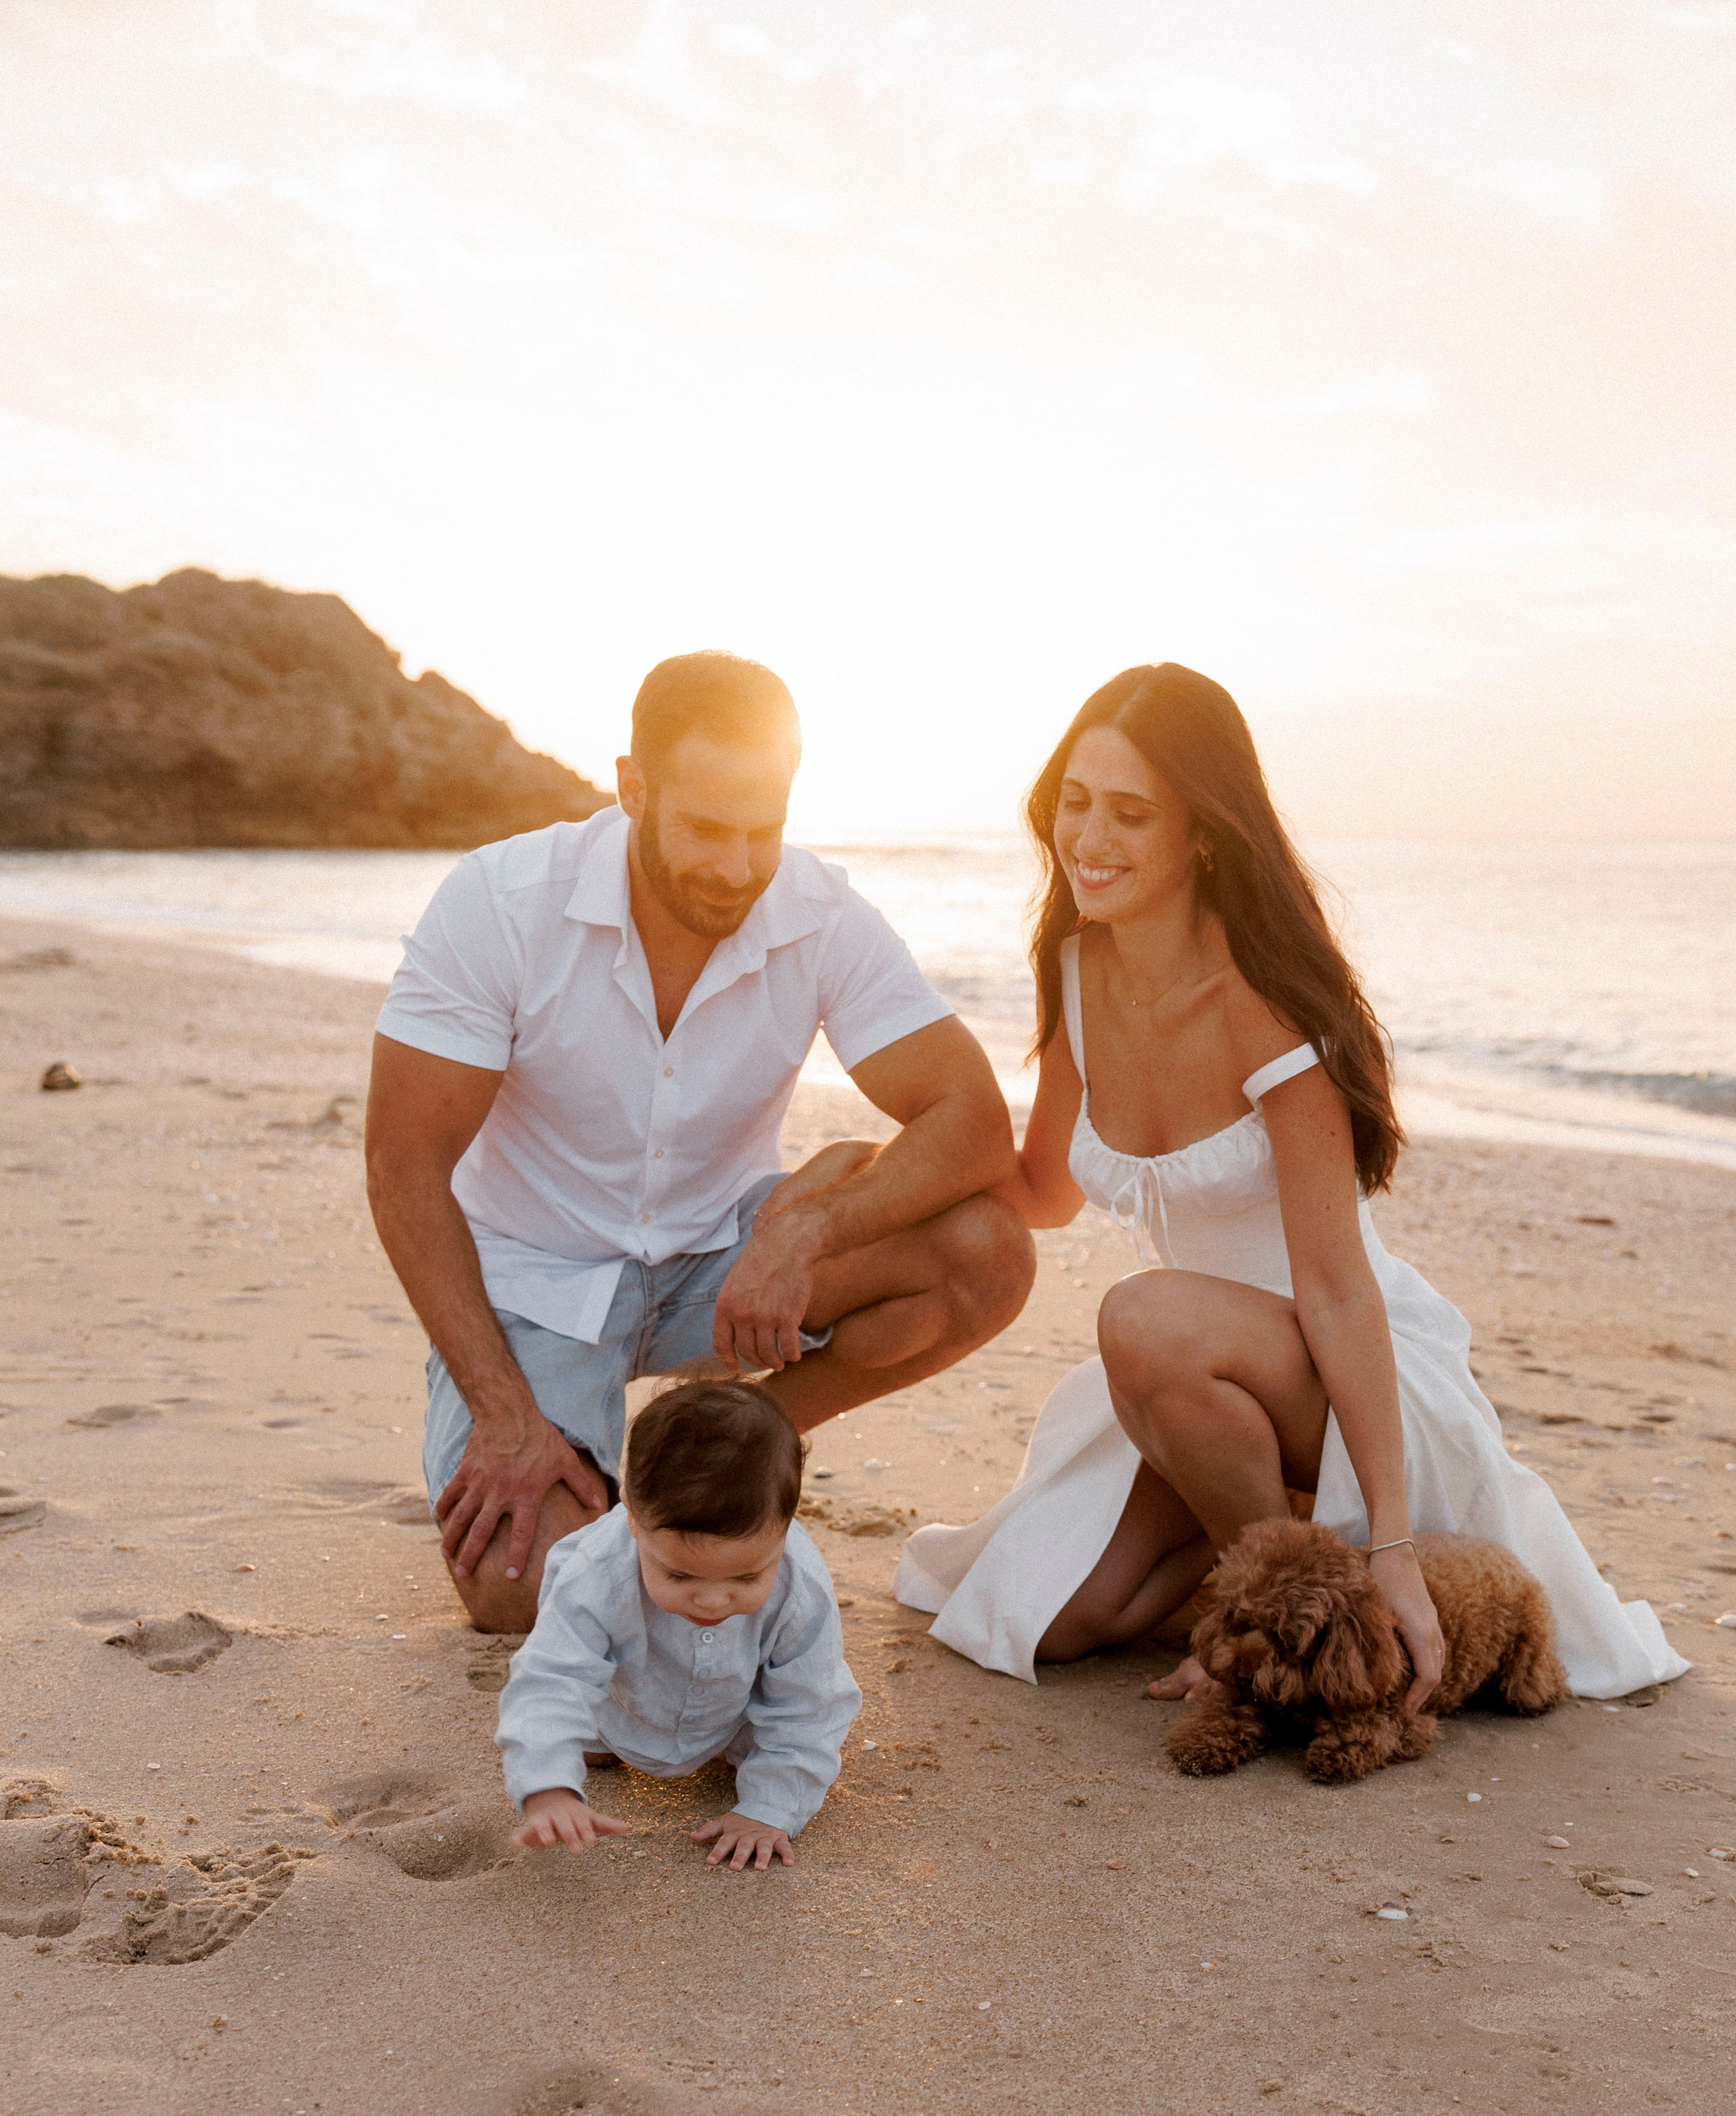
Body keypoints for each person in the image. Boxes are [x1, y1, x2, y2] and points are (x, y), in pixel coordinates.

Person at [895, 663, 1686, 1708]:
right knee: (1071, 1619)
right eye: (1075, 803)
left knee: (1139, 1315)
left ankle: (1295, 1601)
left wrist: (1398, 1541)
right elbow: (1042, 1189)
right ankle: (1288, 1527)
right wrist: (888, 1185)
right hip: (1196, 1388)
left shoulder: (1269, 1008)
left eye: (1131, 814)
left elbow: (1337, 1287)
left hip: (1345, 1368)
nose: (1089, 838)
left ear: (1204, 833)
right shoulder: (1077, 971)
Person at [367, 650, 1034, 1633]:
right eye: (707, 829)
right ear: (632, 788)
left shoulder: (819, 913)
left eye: (763, 831)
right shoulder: (502, 902)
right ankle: (565, 1433)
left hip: (721, 1268)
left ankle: (742, 1438)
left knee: (988, 1252)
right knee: (524, 1591)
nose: (736, 867)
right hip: (539, 1286)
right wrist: (507, 1420)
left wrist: (798, 1237)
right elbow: (403, 1165)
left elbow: (974, 1121)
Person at [499, 1380, 859, 1873]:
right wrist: (548, 1786)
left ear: (787, 1525)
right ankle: (600, 1741)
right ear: (631, 1515)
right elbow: (552, 1675)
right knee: (575, 1733)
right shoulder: (596, 1573)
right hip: (619, 1706)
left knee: (782, 1736)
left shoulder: (802, 1584)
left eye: (748, 1575)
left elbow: (811, 1701)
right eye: (679, 1574)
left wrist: (769, 1808)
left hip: (738, 1714)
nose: (713, 1600)